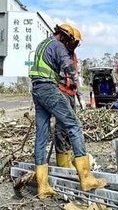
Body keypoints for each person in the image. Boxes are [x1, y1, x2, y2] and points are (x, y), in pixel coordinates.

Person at [29, 24, 107, 199]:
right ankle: (86, 178)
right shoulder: (58, 46)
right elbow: (68, 66)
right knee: (74, 126)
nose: (71, 46)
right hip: (49, 89)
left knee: (42, 134)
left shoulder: (43, 44)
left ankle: (43, 186)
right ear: (65, 37)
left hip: (37, 89)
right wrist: (77, 82)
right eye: (72, 42)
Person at [52, 25, 82, 168]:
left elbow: (75, 73)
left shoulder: (73, 56)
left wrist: (78, 92)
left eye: (76, 43)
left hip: (71, 93)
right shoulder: (58, 51)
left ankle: (69, 155)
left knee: (72, 125)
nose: (74, 45)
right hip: (61, 91)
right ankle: (62, 160)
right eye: (73, 42)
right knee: (62, 126)